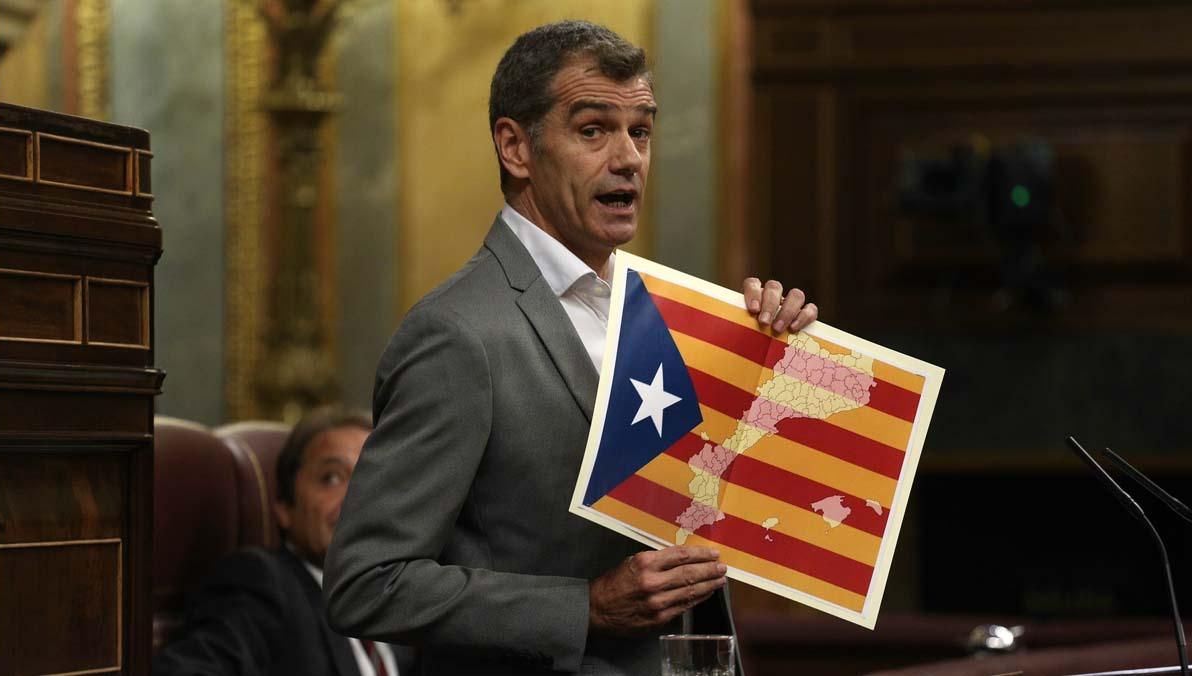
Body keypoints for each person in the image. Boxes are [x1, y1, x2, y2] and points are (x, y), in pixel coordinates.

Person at [323, 20, 818, 675]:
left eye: (640, 130)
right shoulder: (456, 333)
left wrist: (781, 365)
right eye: (593, 130)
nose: (628, 158)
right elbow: (366, 582)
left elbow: (725, 510)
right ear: (516, 148)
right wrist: (583, 607)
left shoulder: (670, 317)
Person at [155, 407, 413, 676]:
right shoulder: (261, 582)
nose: (357, 498)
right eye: (332, 478)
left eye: (372, 478)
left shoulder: (390, 599)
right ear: (284, 506)